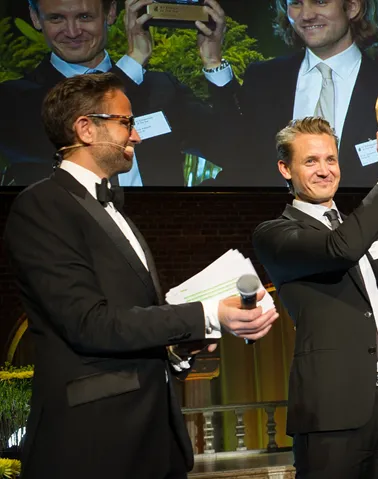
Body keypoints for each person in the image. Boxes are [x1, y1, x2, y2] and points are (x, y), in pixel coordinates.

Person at [2, 73, 278, 479]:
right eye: (126, 122)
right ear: (85, 128)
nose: (137, 135)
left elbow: (129, 318)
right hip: (93, 444)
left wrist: (178, 348)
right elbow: (88, 323)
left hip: (153, 439)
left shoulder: (113, 208)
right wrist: (208, 313)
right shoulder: (41, 206)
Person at [252, 117, 378, 478]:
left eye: (331, 159)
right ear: (285, 169)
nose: (324, 170)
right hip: (331, 413)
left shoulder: (362, 230)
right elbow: (340, 249)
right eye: (311, 161)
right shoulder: (275, 233)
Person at [0, 0, 240, 186]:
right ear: (35, 18)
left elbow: (236, 151)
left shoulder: (160, 88)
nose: (72, 32)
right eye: (56, 18)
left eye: (85, 17)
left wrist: (213, 63)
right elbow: (78, 131)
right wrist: (133, 63)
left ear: (111, 13)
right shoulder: (14, 100)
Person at [218, 0, 378, 187]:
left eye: (320, 2)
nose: (306, 15)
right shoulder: (264, 78)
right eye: (296, 3)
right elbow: (236, 154)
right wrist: (213, 61)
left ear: (352, 7)